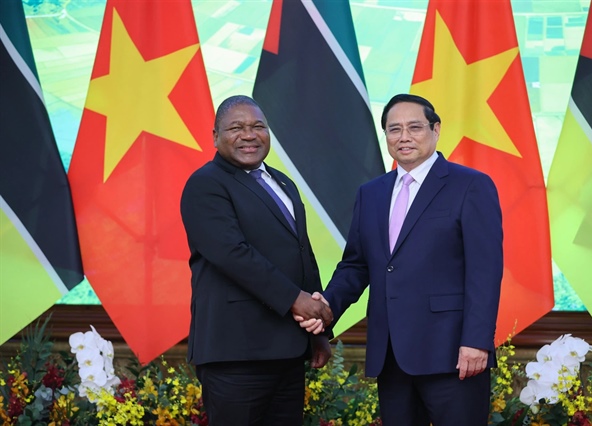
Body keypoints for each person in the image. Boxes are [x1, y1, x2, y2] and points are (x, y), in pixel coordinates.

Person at [298, 93, 503, 425]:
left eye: (414, 127)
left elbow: (485, 270)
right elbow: (357, 264)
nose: (404, 137)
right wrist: (328, 306)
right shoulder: (371, 193)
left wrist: (477, 342)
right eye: (394, 129)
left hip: (452, 353)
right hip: (391, 355)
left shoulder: (471, 186)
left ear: (435, 130)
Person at [180, 95, 333, 425]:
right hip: (236, 354)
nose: (248, 135)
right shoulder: (205, 184)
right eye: (236, 127)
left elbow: (301, 254)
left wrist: (317, 329)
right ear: (215, 136)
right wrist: (296, 300)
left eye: (257, 126)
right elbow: (232, 254)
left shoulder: (282, 183)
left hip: (288, 353)